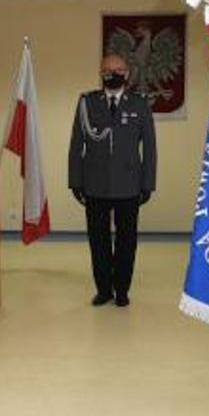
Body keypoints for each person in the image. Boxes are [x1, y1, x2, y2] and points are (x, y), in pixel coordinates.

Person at [67, 52, 157, 307]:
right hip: (94, 185)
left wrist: (147, 183)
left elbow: (149, 148)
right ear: (100, 73)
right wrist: (76, 180)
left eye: (118, 69)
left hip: (129, 185)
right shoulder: (88, 103)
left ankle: (122, 289)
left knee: (127, 241)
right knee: (98, 241)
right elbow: (76, 144)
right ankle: (104, 289)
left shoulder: (139, 104)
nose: (112, 73)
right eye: (107, 69)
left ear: (127, 74)